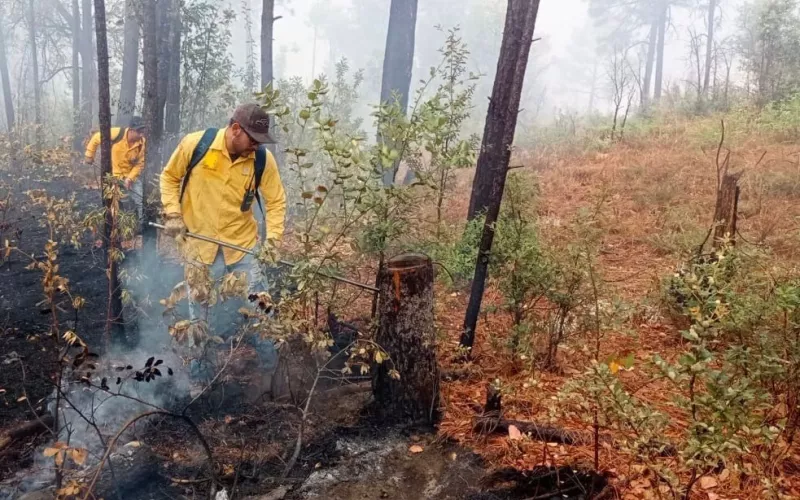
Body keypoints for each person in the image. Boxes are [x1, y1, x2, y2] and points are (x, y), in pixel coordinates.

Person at [159, 103, 286, 378]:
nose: (257, 145)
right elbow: (169, 178)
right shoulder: (196, 145)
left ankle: (273, 375)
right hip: (199, 249)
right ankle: (201, 378)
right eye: (253, 139)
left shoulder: (262, 160)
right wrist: (173, 213)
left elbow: (276, 202)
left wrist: (273, 240)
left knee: (261, 308)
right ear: (236, 129)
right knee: (200, 315)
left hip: (242, 249)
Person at [84, 116, 147, 220]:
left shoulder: (142, 143)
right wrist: (89, 155)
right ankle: (117, 223)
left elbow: (139, 164)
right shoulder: (118, 133)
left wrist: (129, 178)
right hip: (114, 176)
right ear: (131, 130)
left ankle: (140, 223)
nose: (141, 135)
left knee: (139, 200)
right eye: (139, 132)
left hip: (130, 176)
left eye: (142, 132)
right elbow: (96, 137)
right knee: (117, 202)